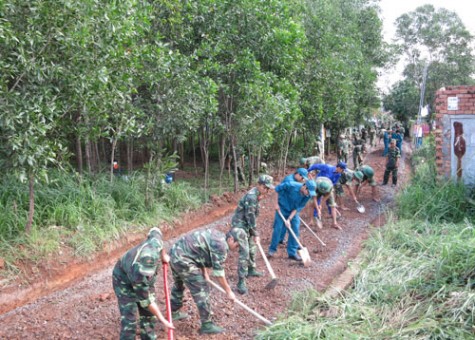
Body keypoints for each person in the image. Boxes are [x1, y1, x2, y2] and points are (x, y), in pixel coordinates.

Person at [169, 229, 238, 335]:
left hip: (175, 252)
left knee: (179, 284)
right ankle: (207, 325)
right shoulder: (222, 246)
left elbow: (199, 252)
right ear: (231, 239)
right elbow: (219, 273)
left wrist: (204, 272)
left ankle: (172, 312)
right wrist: (229, 291)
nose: (237, 249)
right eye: (237, 245)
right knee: (201, 289)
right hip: (184, 259)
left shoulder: (218, 236)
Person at [112, 228, 174, 340]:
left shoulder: (155, 243)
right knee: (129, 318)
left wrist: (164, 256)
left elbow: (155, 232)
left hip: (139, 279)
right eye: (146, 273)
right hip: (123, 280)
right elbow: (147, 302)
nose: (149, 275)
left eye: (149, 273)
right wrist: (163, 320)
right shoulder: (138, 274)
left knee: (148, 315)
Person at [229, 175, 275, 295]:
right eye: (266, 188)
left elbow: (252, 217)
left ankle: (251, 269)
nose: (267, 191)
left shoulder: (257, 195)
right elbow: (250, 216)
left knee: (252, 248)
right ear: (259, 185)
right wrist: (255, 233)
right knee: (244, 251)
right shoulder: (251, 197)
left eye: (268, 189)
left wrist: (253, 232)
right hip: (240, 226)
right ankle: (241, 282)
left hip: (246, 225)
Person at [268, 179, 317, 261]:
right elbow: (276, 190)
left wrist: (289, 219)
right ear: (304, 186)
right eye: (308, 191)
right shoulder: (290, 185)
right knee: (278, 229)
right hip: (282, 209)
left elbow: (297, 208)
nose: (308, 194)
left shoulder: (307, 196)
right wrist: (276, 204)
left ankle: (292, 253)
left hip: (293, 212)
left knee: (295, 230)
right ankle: (272, 250)